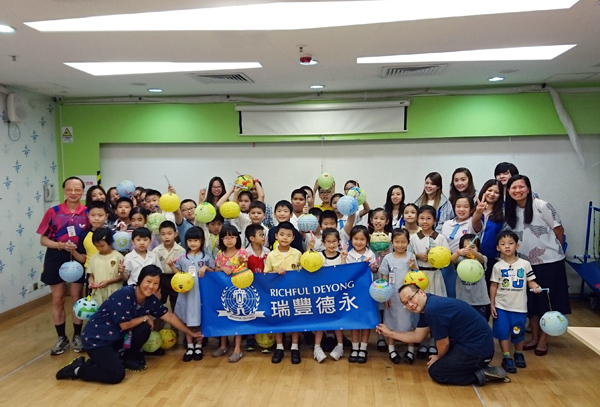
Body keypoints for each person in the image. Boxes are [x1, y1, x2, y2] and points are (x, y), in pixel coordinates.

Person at [55, 265, 203, 384]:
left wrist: (191, 333)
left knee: (144, 328)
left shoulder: (150, 300)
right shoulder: (125, 294)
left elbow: (169, 316)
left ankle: (126, 358)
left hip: (116, 338)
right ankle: (77, 370)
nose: (151, 286)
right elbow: (124, 325)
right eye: (148, 281)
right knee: (116, 375)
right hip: (97, 340)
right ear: (140, 280)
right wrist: (144, 317)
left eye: (156, 283)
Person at [377, 284, 510, 386]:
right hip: (471, 345)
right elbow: (417, 337)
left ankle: (481, 374)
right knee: (443, 362)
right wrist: (390, 333)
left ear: (421, 292)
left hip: (477, 350)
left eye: (411, 298)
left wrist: (439, 358)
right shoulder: (427, 305)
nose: (410, 304)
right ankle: (476, 367)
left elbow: (444, 343)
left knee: (437, 372)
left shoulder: (433, 309)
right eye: (405, 303)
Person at [504, 175, 570, 356]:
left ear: (528, 188)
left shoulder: (541, 205)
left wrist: (554, 249)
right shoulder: (509, 211)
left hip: (549, 262)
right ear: (508, 191)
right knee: (531, 302)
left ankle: (543, 339)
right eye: (513, 188)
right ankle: (534, 337)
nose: (517, 190)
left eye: (521, 187)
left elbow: (558, 229)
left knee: (548, 301)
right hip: (524, 263)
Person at [37, 176, 89, 355]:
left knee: (76, 298)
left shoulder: (88, 212)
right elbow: (43, 239)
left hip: (79, 255)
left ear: (82, 191)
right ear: (64, 190)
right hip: (56, 255)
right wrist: (60, 245)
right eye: (69, 189)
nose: (73, 193)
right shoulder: (53, 212)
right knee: (58, 298)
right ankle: (61, 338)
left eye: (77, 189)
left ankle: (77, 336)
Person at [490, 231, 542, 373]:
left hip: (519, 307)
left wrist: (535, 286)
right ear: (498, 248)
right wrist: (492, 304)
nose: (507, 246)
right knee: (502, 332)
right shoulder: (497, 266)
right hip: (501, 306)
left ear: (517, 246)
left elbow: (531, 281)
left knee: (518, 332)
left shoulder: (524, 264)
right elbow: (494, 285)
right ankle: (506, 357)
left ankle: (518, 354)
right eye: (503, 244)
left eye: (510, 243)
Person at [168, 227, 214, 362]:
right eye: (190, 241)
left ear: (202, 241)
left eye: (196, 240)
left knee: (200, 319)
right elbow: (179, 274)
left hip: (201, 294)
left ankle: (199, 345)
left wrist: (206, 267)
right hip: (187, 294)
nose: (193, 243)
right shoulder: (182, 257)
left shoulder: (206, 257)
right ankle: (189, 346)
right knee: (187, 319)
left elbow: (214, 271)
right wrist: (171, 266)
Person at [410, 204, 450, 358]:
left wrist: (436, 257)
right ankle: (422, 342)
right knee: (420, 309)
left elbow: (446, 258)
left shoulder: (440, 238)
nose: (425, 221)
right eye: (422, 218)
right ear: (417, 220)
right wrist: (417, 255)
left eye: (428, 218)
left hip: (435, 276)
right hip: (420, 276)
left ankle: (434, 341)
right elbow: (407, 255)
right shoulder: (414, 238)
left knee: (435, 309)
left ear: (434, 220)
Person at [264, 221, 303, 364]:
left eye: (288, 235)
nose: (285, 238)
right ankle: (279, 347)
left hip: (294, 294)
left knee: (295, 320)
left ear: (293, 238)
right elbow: (265, 275)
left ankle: (294, 347)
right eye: (281, 234)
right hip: (277, 295)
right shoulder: (271, 255)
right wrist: (275, 272)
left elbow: (302, 274)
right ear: (276, 236)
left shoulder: (297, 254)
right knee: (278, 320)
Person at [380, 228, 418, 364]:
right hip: (392, 295)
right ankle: (391, 349)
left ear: (408, 242)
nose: (400, 245)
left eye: (403, 242)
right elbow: (384, 277)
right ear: (392, 243)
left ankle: (410, 350)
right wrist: (385, 296)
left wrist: (413, 267)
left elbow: (417, 276)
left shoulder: (411, 256)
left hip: (408, 296)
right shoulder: (388, 258)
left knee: (409, 322)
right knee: (391, 322)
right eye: (397, 242)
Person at [214, 225, 248, 362]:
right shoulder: (219, 254)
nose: (229, 240)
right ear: (221, 240)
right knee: (223, 317)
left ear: (237, 238)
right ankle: (223, 345)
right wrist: (222, 268)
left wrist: (238, 267)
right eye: (226, 237)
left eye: (232, 237)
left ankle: (237, 349)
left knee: (237, 318)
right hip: (222, 291)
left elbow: (246, 270)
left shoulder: (242, 253)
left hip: (238, 291)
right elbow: (216, 270)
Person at [312, 228, 347, 363]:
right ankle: (317, 348)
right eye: (328, 242)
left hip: (337, 296)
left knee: (337, 321)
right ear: (323, 242)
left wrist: (343, 259)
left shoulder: (341, 256)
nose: (331, 244)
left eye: (334, 241)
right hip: (321, 296)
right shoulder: (318, 256)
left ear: (338, 242)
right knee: (320, 322)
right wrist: (309, 250)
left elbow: (344, 273)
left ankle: (340, 346)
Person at [346, 225, 378, 364]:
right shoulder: (348, 254)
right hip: (353, 293)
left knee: (365, 320)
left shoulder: (370, 254)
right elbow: (347, 272)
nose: (359, 242)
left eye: (362, 239)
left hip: (367, 292)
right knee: (355, 321)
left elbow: (375, 270)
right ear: (351, 239)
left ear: (367, 240)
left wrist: (372, 267)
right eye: (356, 239)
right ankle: (354, 347)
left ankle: (363, 348)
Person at [440, 195, 476, 298]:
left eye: (465, 206)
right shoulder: (447, 224)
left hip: (465, 261)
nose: (461, 209)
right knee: (449, 292)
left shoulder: (472, 223)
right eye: (458, 206)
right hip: (448, 262)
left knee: (464, 294)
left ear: (471, 209)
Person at [472, 179, 504, 288]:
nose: (492, 194)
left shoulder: (502, 214)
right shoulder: (474, 209)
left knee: (489, 287)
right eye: (489, 190)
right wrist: (478, 212)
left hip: (492, 257)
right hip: (472, 256)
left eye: (496, 192)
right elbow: (475, 227)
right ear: (484, 191)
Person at [451, 234, 490, 320]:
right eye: (465, 247)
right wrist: (458, 253)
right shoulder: (460, 260)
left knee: (481, 322)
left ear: (478, 248)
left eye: (472, 247)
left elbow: (482, 259)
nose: (468, 250)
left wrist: (474, 253)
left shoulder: (481, 259)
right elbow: (452, 260)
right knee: (464, 322)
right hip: (463, 300)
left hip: (480, 301)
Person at [153, 221, 185, 311]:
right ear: (159, 235)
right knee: (159, 301)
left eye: (169, 233)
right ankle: (159, 318)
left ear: (175, 234)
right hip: (161, 278)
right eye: (163, 234)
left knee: (175, 301)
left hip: (175, 277)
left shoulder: (181, 250)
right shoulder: (156, 251)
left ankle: (175, 318)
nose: (166, 237)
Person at [87, 228, 124, 304]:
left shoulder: (118, 256)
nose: (100, 248)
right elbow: (91, 275)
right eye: (97, 246)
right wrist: (91, 283)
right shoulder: (93, 258)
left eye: (102, 246)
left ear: (109, 242)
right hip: (98, 294)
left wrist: (109, 281)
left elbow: (122, 276)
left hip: (114, 293)